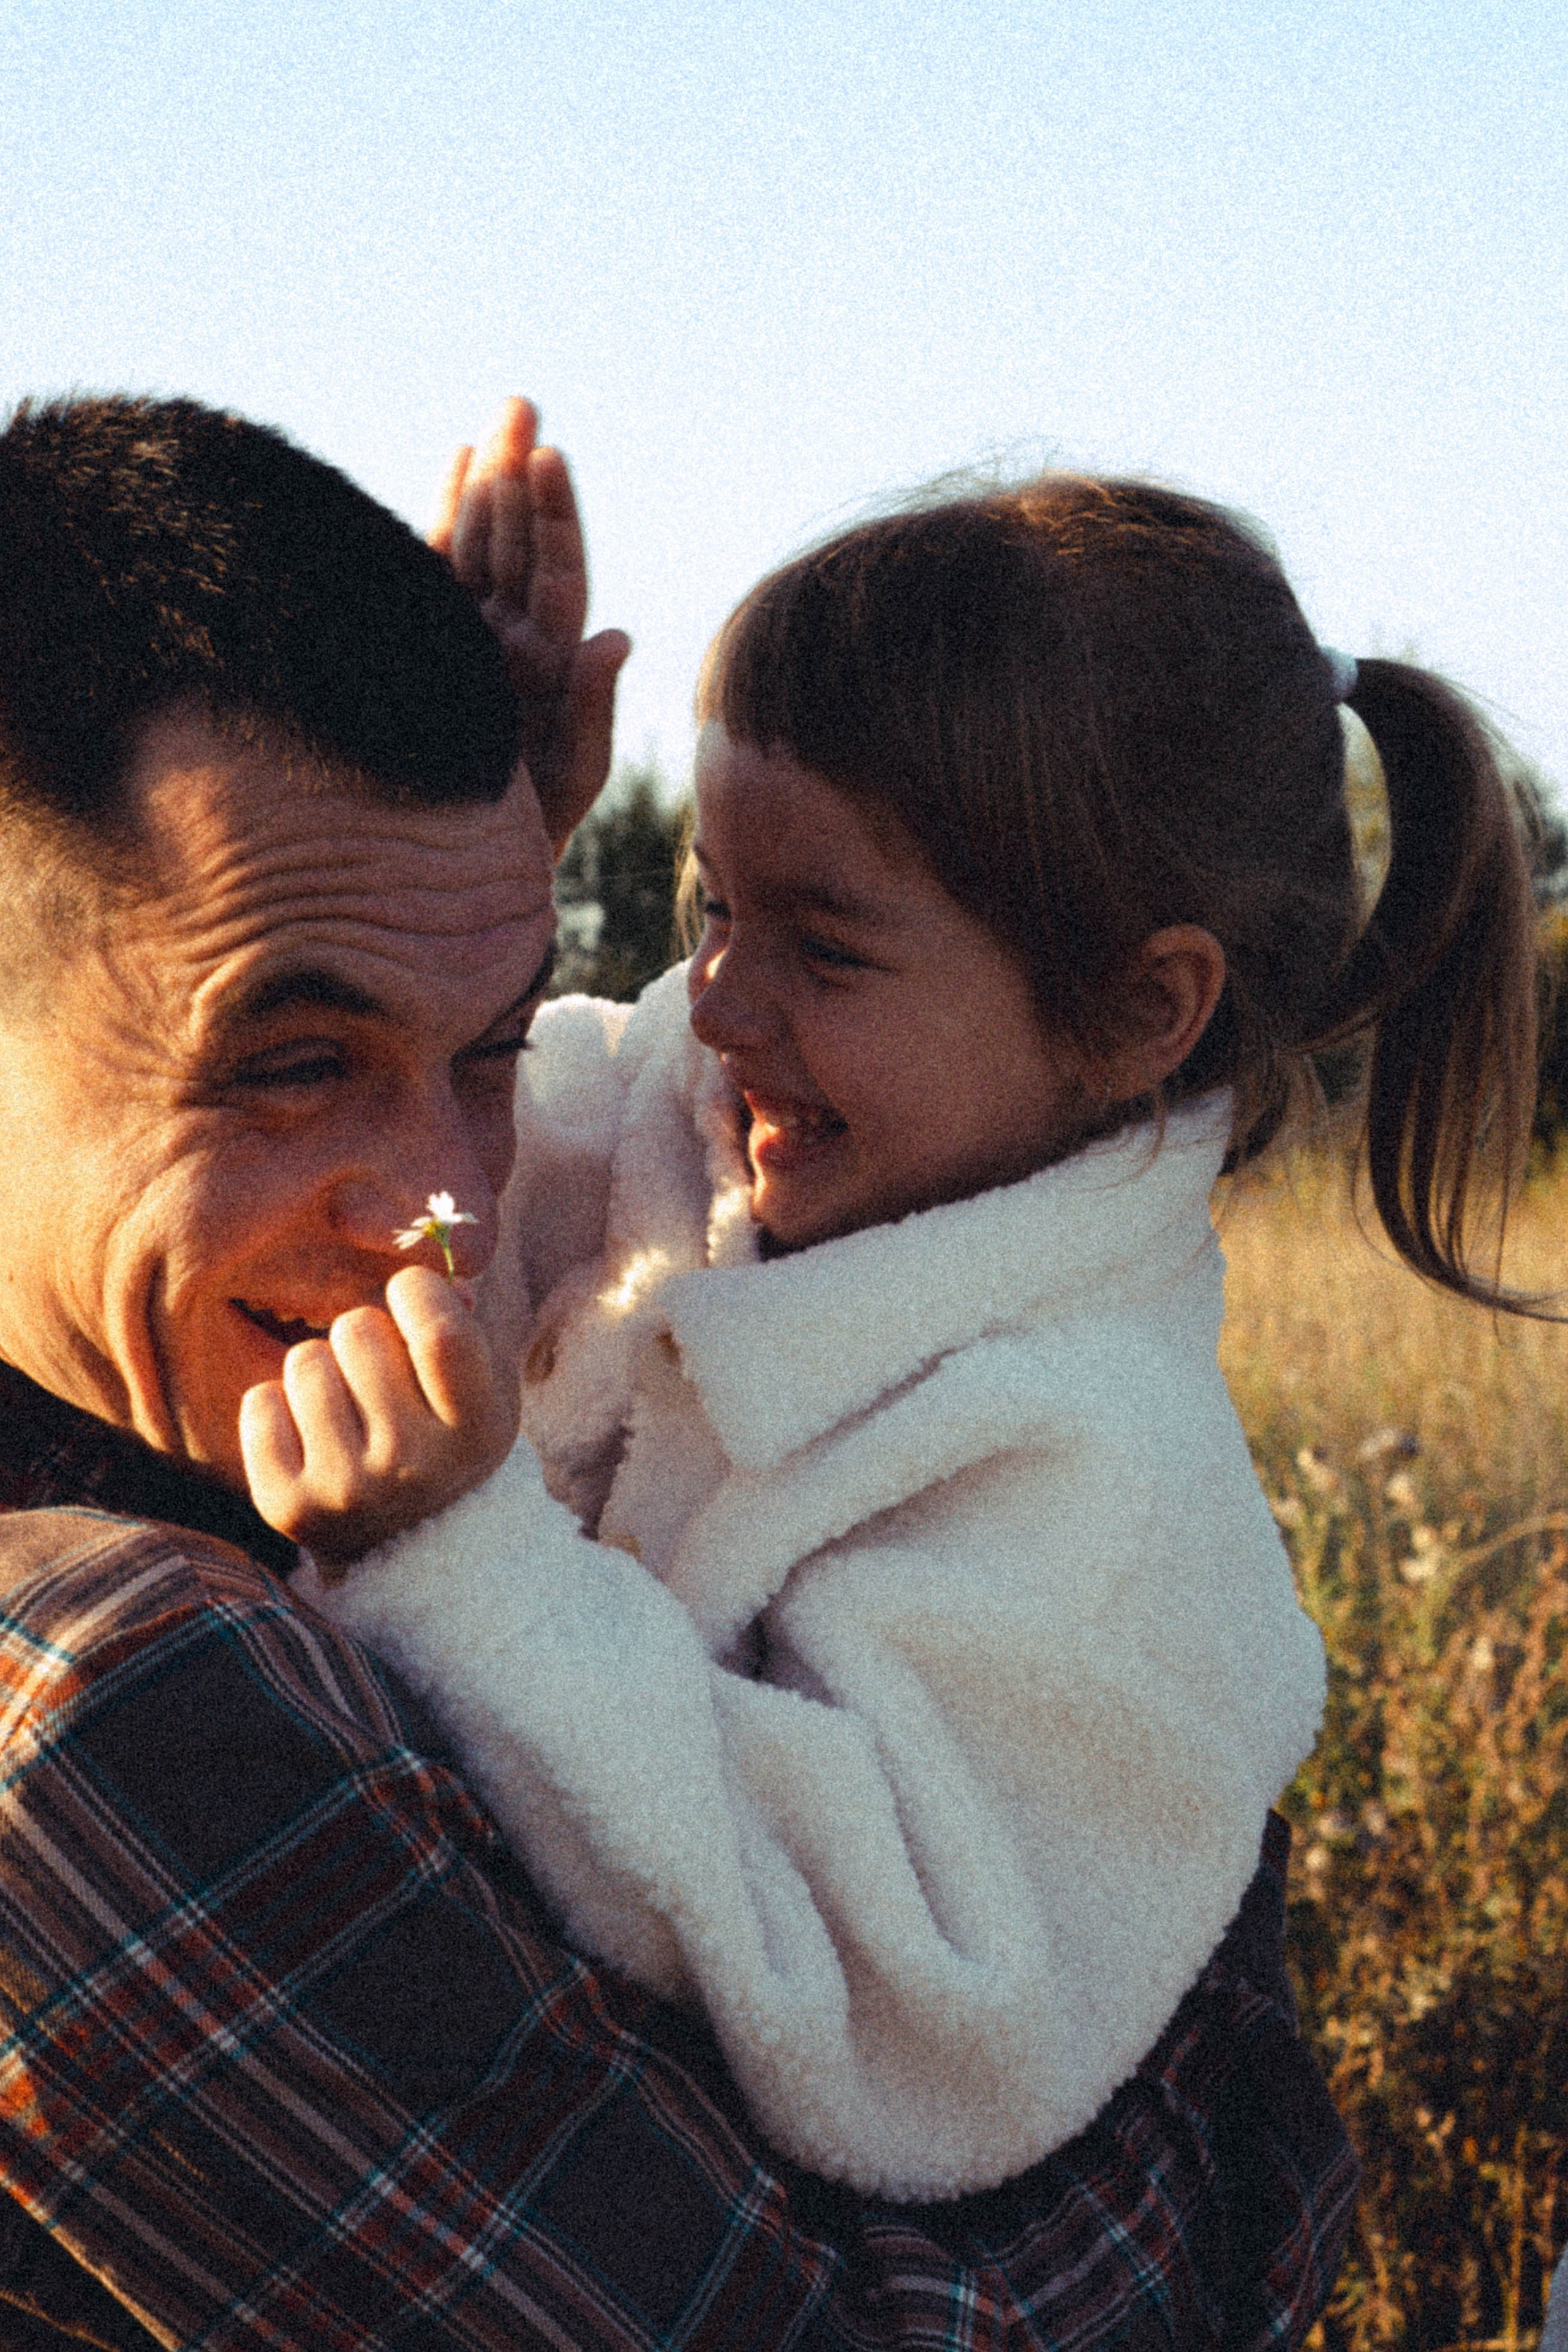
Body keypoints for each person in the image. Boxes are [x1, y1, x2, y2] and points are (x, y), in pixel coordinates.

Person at [0, 391, 1359, 2350]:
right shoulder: (110, 1700)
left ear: (1144, 1014)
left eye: (483, 1040)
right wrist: (1225, 2099)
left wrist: (453, 881)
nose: (442, 1212)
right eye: (298, 1056)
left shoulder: (1080, 1459)